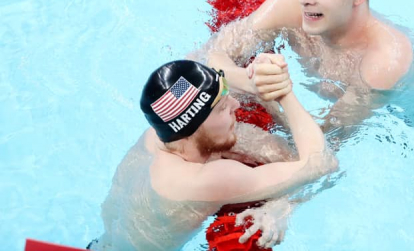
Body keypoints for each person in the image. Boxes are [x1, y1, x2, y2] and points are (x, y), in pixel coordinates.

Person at [88, 58, 336, 251]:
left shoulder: (156, 136)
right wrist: (282, 93)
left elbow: (211, 57)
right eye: (222, 108)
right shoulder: (205, 180)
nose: (236, 106)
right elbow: (321, 164)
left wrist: (252, 80)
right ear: (195, 127)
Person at [199, 0, 414, 130]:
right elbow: (207, 55)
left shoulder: (383, 61)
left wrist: (274, 99)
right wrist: (248, 81)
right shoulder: (289, 6)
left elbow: (324, 140)